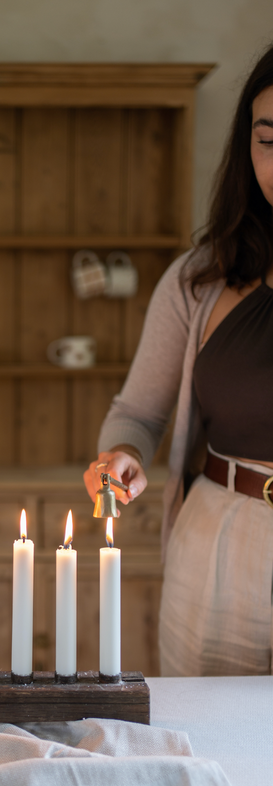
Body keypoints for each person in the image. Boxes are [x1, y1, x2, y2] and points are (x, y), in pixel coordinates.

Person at [83, 43, 273, 677]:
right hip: (221, 544)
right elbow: (137, 411)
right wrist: (123, 457)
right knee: (207, 753)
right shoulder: (200, 280)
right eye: (267, 139)